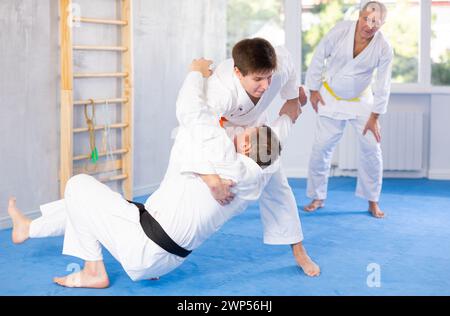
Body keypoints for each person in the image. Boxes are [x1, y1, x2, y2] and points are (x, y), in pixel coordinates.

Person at [7, 59, 295, 288]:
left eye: (247, 130)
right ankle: (29, 229)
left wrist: (196, 72)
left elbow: (191, 112)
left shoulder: (223, 158)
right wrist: (291, 112)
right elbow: (280, 133)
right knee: (94, 207)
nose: (241, 127)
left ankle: (93, 270)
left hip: (143, 246)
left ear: (245, 145)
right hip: (164, 259)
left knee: (77, 186)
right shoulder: (261, 171)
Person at [205, 38, 320, 276]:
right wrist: (211, 177)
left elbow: (288, 69)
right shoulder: (219, 90)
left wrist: (292, 96)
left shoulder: (279, 64)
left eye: (268, 77)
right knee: (207, 200)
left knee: (278, 185)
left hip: (256, 124)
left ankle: (299, 251)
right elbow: (200, 132)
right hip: (223, 131)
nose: (266, 85)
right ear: (238, 73)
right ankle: (166, 253)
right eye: (258, 79)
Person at [303, 1, 393, 218]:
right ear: (359, 15)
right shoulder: (341, 30)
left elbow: (383, 84)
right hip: (331, 98)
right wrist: (313, 89)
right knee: (321, 147)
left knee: (372, 149)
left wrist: (375, 116)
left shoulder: (384, 47)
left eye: (376, 22)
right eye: (366, 18)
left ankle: (372, 200)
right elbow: (318, 56)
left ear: (381, 24)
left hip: (362, 102)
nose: (369, 25)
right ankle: (318, 195)